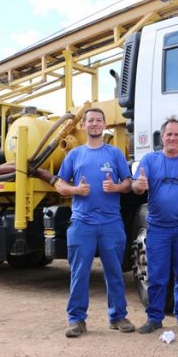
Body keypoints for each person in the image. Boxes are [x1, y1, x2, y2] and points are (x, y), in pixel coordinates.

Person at [54, 108, 135, 338]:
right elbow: (59, 184)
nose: (94, 124)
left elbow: (128, 183)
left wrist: (116, 187)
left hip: (111, 223)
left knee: (115, 271)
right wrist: (75, 190)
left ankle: (118, 316)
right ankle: (76, 320)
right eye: (90, 120)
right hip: (82, 223)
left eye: (99, 120)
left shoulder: (115, 154)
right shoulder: (74, 155)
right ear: (83, 125)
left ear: (104, 125)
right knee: (79, 273)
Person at [131, 116, 178, 334]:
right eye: (169, 134)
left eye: (177, 134)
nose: (172, 138)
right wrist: (139, 185)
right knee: (157, 275)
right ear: (162, 137)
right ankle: (154, 317)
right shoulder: (149, 160)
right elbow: (136, 186)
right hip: (158, 228)